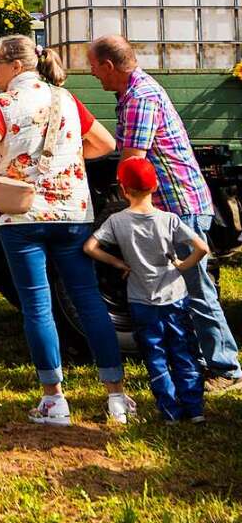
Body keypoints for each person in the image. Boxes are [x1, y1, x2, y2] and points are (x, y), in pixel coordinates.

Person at [0, 34, 132, 424]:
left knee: (38, 307)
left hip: (21, 218)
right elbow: (104, 143)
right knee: (88, 300)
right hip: (72, 212)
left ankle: (54, 400)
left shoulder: (4, 104)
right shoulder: (66, 99)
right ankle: (117, 396)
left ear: (15, 67)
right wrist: (70, 163)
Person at [89, 35, 241, 395]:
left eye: (95, 69)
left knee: (196, 287)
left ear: (109, 65)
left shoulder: (140, 97)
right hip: (176, 203)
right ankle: (199, 361)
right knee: (182, 287)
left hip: (180, 205)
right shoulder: (134, 92)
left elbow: (133, 161)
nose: (95, 75)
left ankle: (226, 367)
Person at [85, 157, 208, 423]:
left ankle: (169, 411)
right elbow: (202, 247)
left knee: (156, 355)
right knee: (183, 350)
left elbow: (90, 247)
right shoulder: (169, 219)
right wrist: (182, 264)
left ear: (123, 189)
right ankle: (194, 408)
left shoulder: (117, 221)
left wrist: (118, 262)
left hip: (141, 301)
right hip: (174, 296)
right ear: (154, 187)